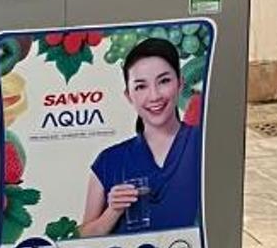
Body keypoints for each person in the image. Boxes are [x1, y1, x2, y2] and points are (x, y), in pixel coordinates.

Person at [79, 36, 203, 236]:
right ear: (128, 96)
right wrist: (112, 212)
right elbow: (83, 235)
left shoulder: (203, 143)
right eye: (141, 86)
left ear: (180, 84)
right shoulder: (109, 161)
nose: (154, 96)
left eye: (164, 81)